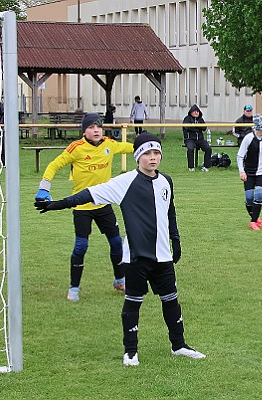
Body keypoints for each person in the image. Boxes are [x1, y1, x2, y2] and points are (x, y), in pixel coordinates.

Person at [35, 132, 206, 366]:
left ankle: (179, 345)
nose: (152, 158)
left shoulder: (166, 181)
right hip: (136, 256)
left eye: (156, 153)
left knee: (171, 300)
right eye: (147, 153)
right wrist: (56, 204)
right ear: (137, 157)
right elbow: (88, 194)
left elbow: (170, 212)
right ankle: (131, 351)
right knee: (133, 302)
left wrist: (176, 240)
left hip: (163, 255)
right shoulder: (124, 182)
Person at [34, 113, 134, 302]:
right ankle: (74, 289)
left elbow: (132, 147)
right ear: (84, 130)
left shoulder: (109, 144)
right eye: (91, 127)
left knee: (115, 243)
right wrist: (43, 188)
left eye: (98, 127)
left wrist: (149, 145)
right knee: (81, 246)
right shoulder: (76, 148)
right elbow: (54, 165)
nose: (96, 130)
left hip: (104, 204)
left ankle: (120, 280)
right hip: (81, 207)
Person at [237, 114, 262, 231]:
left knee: (259, 196)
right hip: (249, 173)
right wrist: (242, 171)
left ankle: (253, 222)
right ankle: (255, 217)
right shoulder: (248, 138)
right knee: (249, 198)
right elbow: (240, 156)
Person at [182, 104, 212, 172]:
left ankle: (206, 166)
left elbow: (204, 128)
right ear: (191, 112)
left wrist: (195, 126)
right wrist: (197, 127)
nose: (196, 113)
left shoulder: (200, 119)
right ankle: (191, 167)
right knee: (190, 148)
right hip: (190, 140)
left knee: (208, 148)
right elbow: (187, 128)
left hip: (200, 139)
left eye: (198, 111)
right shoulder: (187, 119)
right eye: (195, 111)